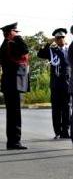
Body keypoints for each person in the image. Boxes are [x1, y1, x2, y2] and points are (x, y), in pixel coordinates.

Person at [0, 22, 29, 150]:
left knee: (12, 115)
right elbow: (25, 49)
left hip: (10, 84)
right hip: (13, 84)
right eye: (15, 32)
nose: (17, 34)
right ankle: (14, 142)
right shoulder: (9, 45)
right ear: (10, 33)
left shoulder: (7, 45)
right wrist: (17, 37)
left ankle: (13, 141)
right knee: (14, 115)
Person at [37, 28, 71, 139]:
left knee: (67, 108)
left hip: (67, 83)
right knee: (56, 109)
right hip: (55, 84)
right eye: (58, 38)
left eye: (62, 37)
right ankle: (57, 132)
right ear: (55, 39)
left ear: (65, 38)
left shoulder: (69, 49)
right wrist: (48, 43)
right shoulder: (52, 51)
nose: (60, 39)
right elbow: (40, 54)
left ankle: (66, 131)